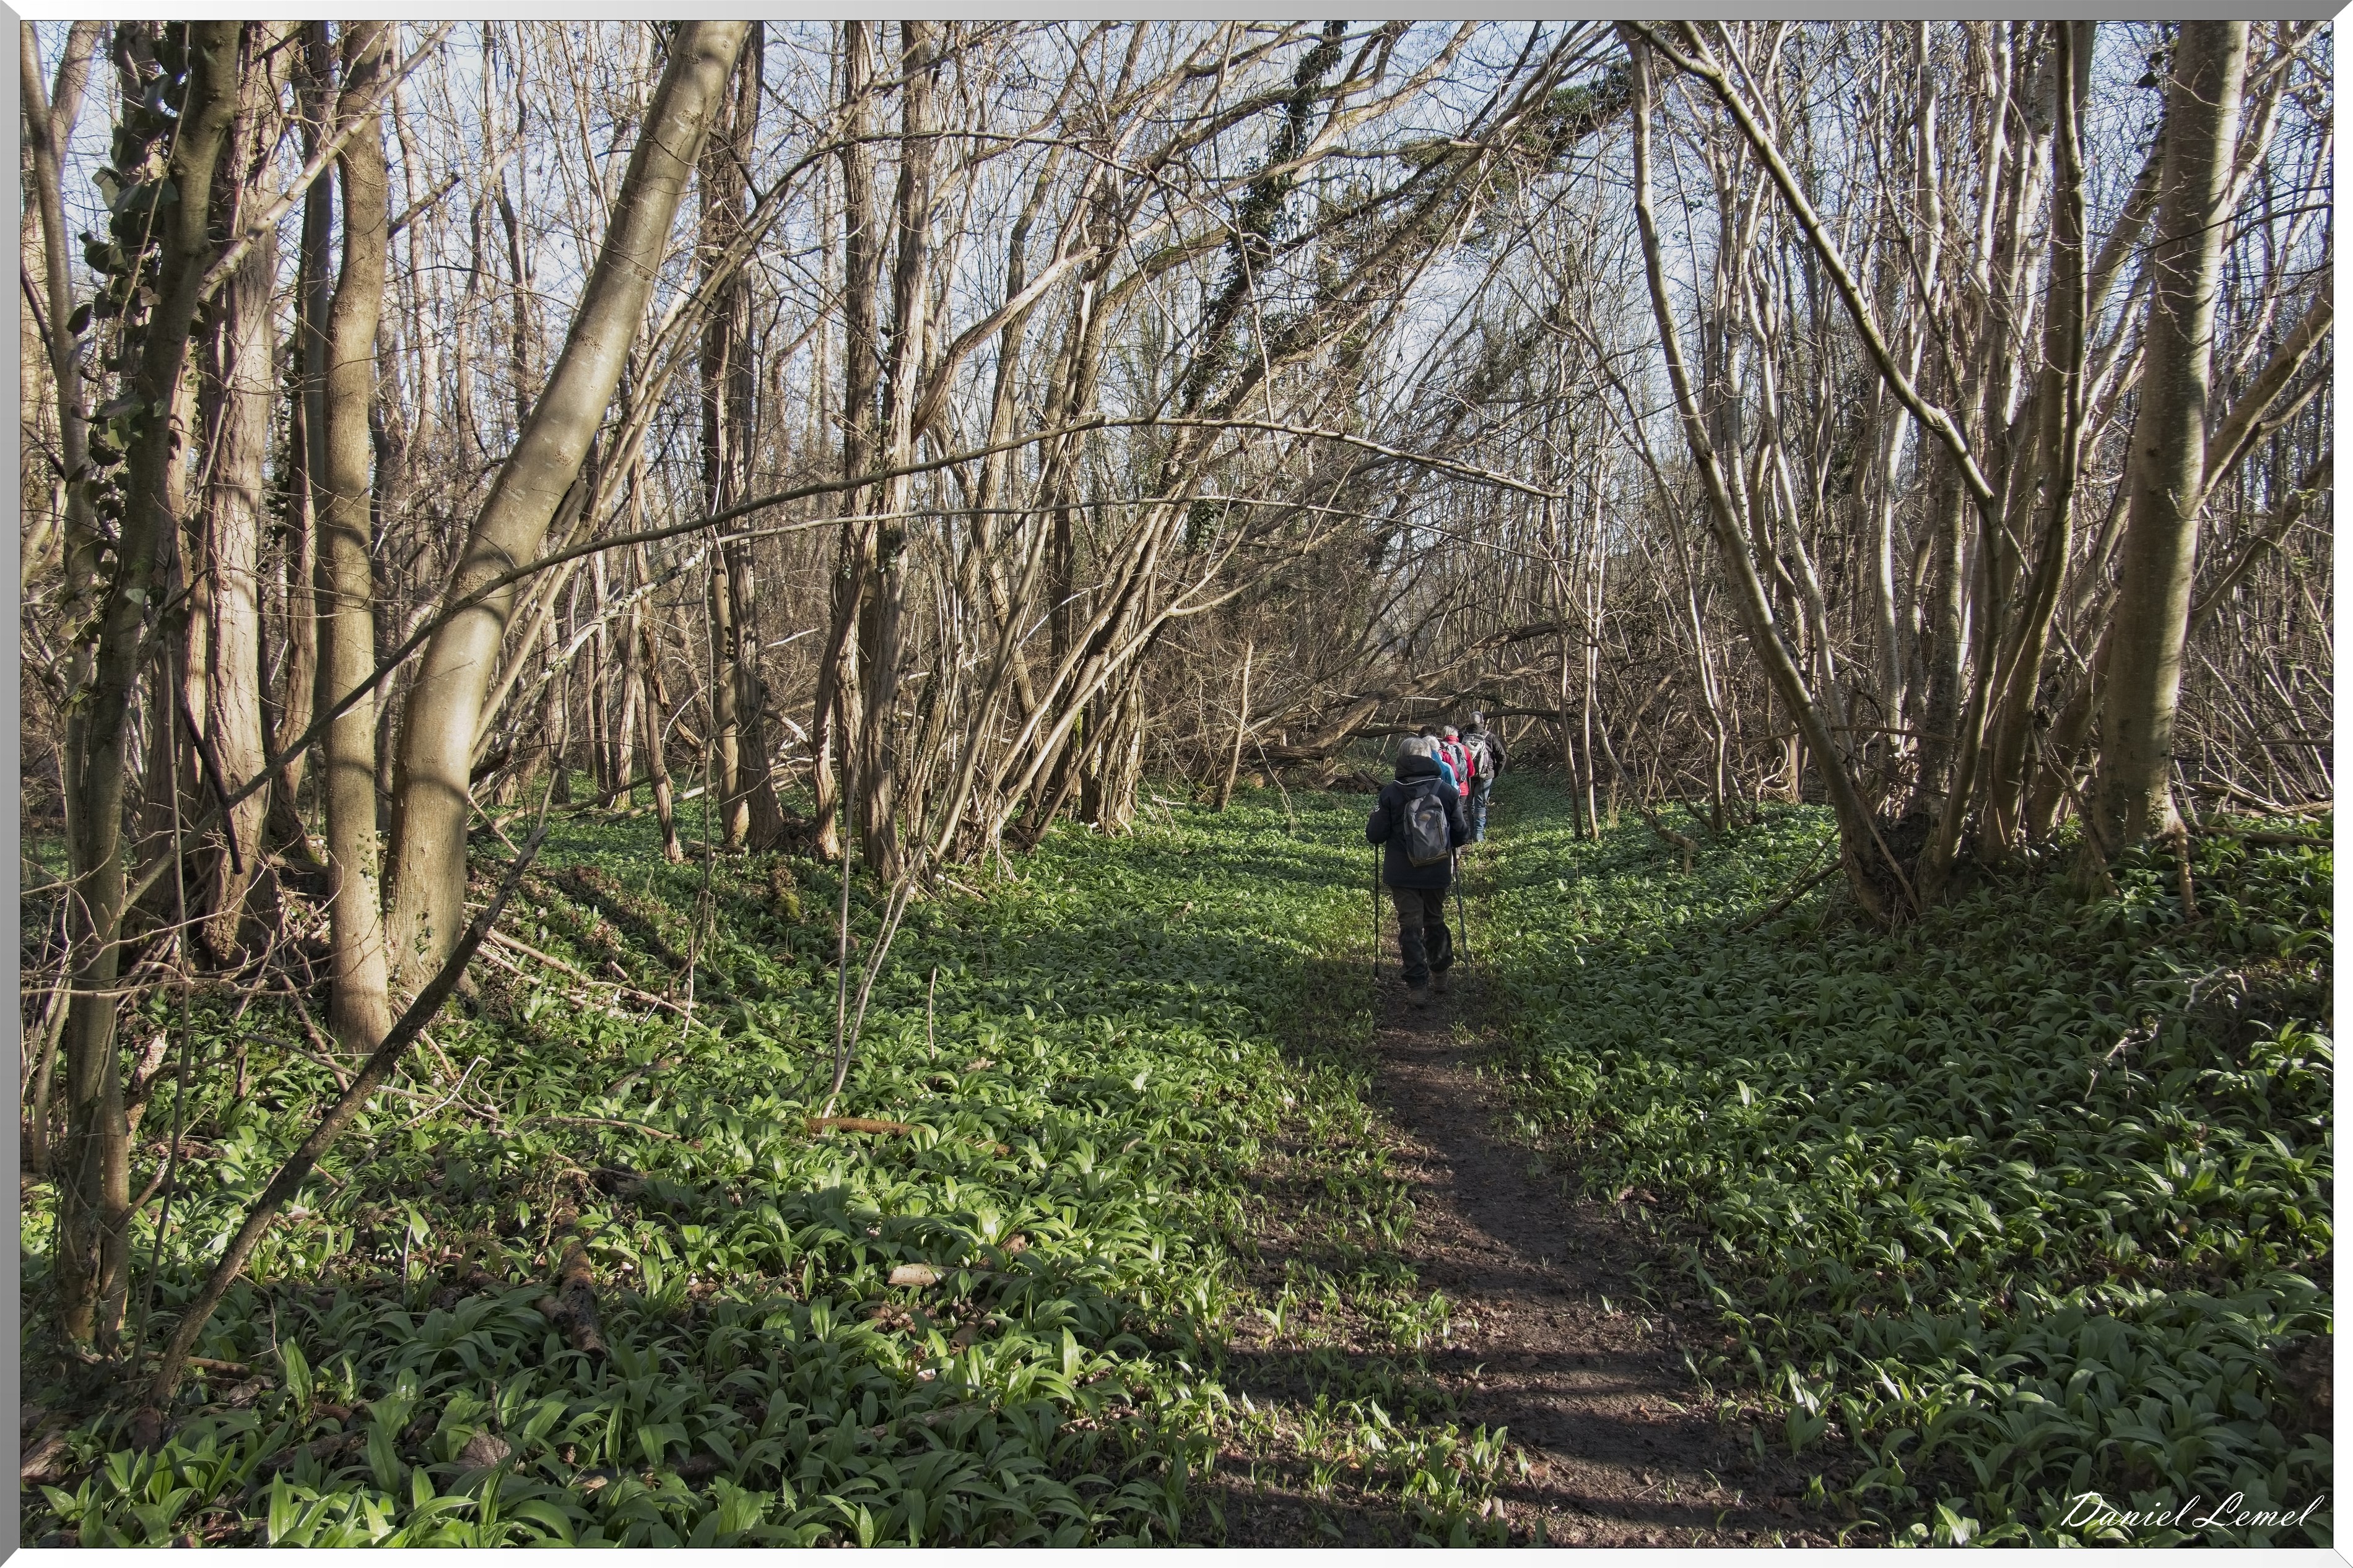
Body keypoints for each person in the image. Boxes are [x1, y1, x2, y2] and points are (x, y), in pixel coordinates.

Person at [1367, 737, 1470, 1007]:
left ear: (1401, 759)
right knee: (1435, 919)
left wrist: (1375, 817)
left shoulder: (1390, 792)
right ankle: (1440, 974)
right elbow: (1461, 834)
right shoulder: (1447, 792)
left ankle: (1417, 987)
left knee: (1410, 926)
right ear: (1429, 757)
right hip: (1436, 868)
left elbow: (1375, 836)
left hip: (1402, 873)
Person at [1461, 710, 1505, 842]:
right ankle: (1478, 835)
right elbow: (1502, 757)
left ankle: (1470, 831)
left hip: (1468, 775)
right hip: (1485, 775)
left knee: (1470, 804)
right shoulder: (1490, 736)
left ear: (1470, 722)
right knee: (1481, 804)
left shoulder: (1462, 735)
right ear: (1482, 722)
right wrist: (1495, 772)